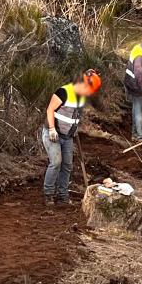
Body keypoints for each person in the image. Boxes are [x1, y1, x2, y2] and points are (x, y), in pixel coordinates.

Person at [42, 69, 101, 205]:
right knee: (56, 162)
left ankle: (63, 195)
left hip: (68, 136)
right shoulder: (64, 92)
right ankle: (48, 194)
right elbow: (50, 109)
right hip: (53, 133)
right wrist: (51, 129)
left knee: (67, 165)